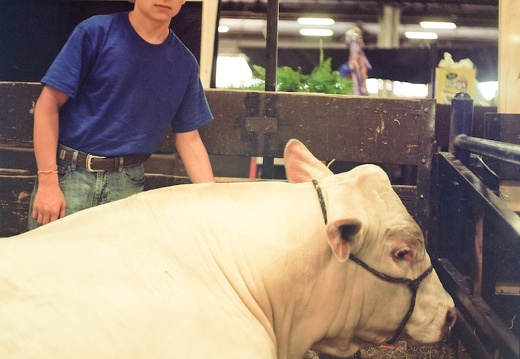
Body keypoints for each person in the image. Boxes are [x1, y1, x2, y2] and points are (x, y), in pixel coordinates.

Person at [28, 0, 215, 230]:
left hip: (127, 184)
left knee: (115, 267)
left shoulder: (184, 64)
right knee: (52, 264)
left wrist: (213, 203)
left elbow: (189, 139)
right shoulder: (95, 33)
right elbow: (48, 105)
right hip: (69, 178)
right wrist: (48, 183)